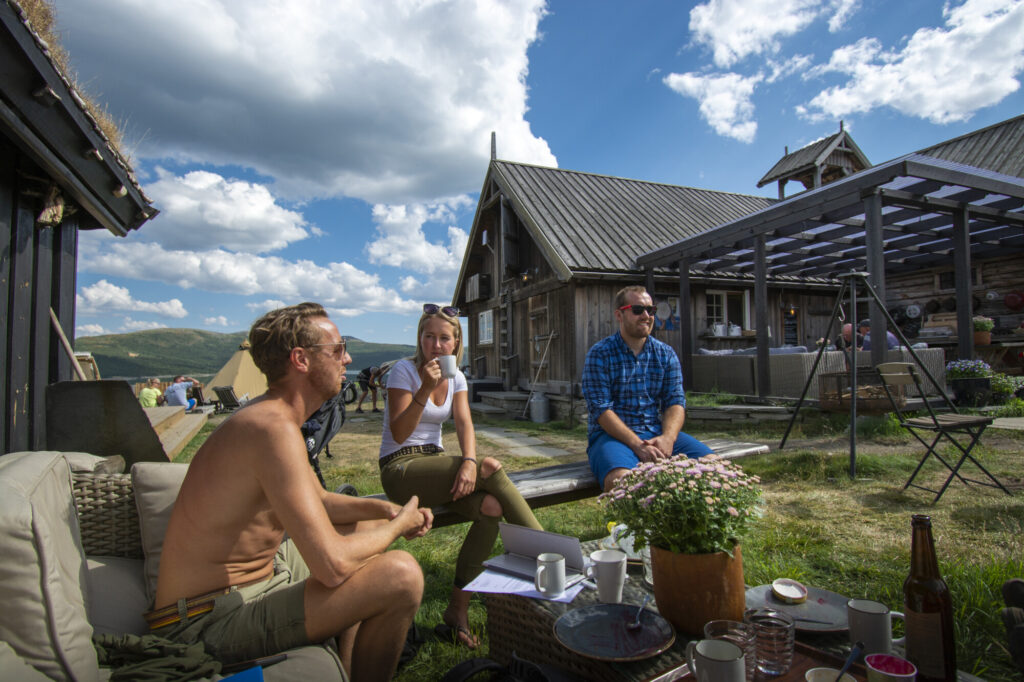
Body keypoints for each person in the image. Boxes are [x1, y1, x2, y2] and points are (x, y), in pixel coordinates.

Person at [150, 302, 433, 681]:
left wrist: (384, 512)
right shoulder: (270, 429)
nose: (347, 358)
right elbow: (331, 568)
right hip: (204, 622)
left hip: (252, 586)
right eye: (337, 349)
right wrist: (398, 527)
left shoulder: (275, 418)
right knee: (401, 575)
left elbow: (321, 500)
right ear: (300, 359)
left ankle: (347, 670)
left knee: (364, 528)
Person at [378, 303, 543, 649]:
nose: (436, 345)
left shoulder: (458, 377)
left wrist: (468, 459)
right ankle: (549, 557)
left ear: (456, 343)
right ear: (420, 339)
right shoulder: (403, 372)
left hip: (434, 464)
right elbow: (399, 431)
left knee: (492, 509)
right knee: (492, 467)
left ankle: (457, 611)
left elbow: (465, 422)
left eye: (444, 338)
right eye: (429, 337)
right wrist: (424, 388)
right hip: (401, 467)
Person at [582, 285, 712, 493]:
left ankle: (694, 523)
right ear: (619, 315)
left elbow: (675, 402)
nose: (646, 315)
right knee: (622, 482)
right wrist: (637, 445)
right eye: (637, 310)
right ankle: (633, 526)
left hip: (656, 432)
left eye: (651, 310)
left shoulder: (665, 354)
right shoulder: (600, 354)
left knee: (714, 467)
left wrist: (668, 439)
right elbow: (601, 410)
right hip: (611, 437)